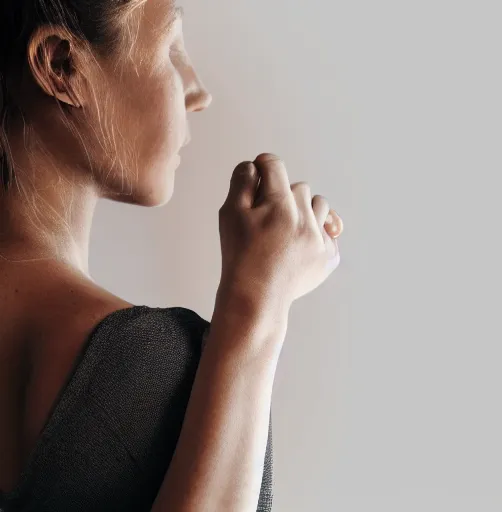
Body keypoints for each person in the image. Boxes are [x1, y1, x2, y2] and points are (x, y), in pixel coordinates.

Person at [0, 0, 344, 510]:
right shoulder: (142, 368)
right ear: (60, 66)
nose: (198, 91)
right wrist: (255, 315)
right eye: (171, 48)